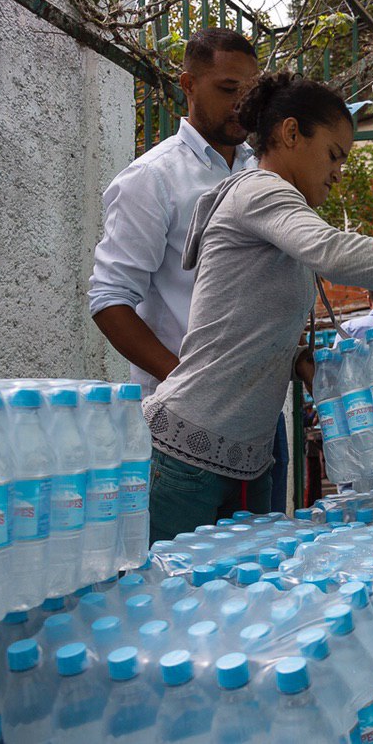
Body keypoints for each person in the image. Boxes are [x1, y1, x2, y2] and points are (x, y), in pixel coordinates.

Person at [142, 72, 373, 542]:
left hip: (244, 456)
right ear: (289, 133)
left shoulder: (271, 205)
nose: (339, 172)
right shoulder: (260, 190)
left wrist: (295, 357)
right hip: (188, 456)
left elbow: (246, 316)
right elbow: (336, 253)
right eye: (334, 154)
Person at [86, 29, 289, 512]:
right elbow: (109, 300)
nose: (242, 104)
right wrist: (186, 381)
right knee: (176, 578)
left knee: (257, 577)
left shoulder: (259, 174)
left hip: (259, 422)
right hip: (182, 432)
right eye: (226, 89)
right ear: (188, 85)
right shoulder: (152, 179)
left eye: (249, 91)